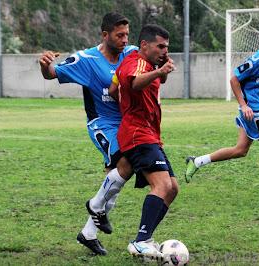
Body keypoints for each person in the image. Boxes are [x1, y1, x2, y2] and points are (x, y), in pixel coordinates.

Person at [39, 12, 137, 255]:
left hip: (128, 122)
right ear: (105, 35)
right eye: (119, 35)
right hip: (102, 123)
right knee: (126, 163)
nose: (125, 39)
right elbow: (51, 73)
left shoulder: (132, 53)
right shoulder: (86, 59)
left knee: (116, 180)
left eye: (127, 34)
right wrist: (45, 65)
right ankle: (94, 209)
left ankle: (88, 233)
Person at [185, 22, 259, 202]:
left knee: (240, 150)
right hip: (252, 110)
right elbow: (234, 79)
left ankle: (197, 161)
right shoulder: (257, 60)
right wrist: (244, 105)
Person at [111, 24, 178, 260]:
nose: (163, 50)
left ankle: (146, 238)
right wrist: (159, 72)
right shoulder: (137, 62)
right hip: (138, 134)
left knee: (172, 189)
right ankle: (140, 242)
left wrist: (161, 69)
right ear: (144, 45)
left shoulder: (148, 65)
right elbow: (135, 83)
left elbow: (114, 89)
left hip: (149, 134)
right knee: (162, 186)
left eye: (166, 47)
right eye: (160, 46)